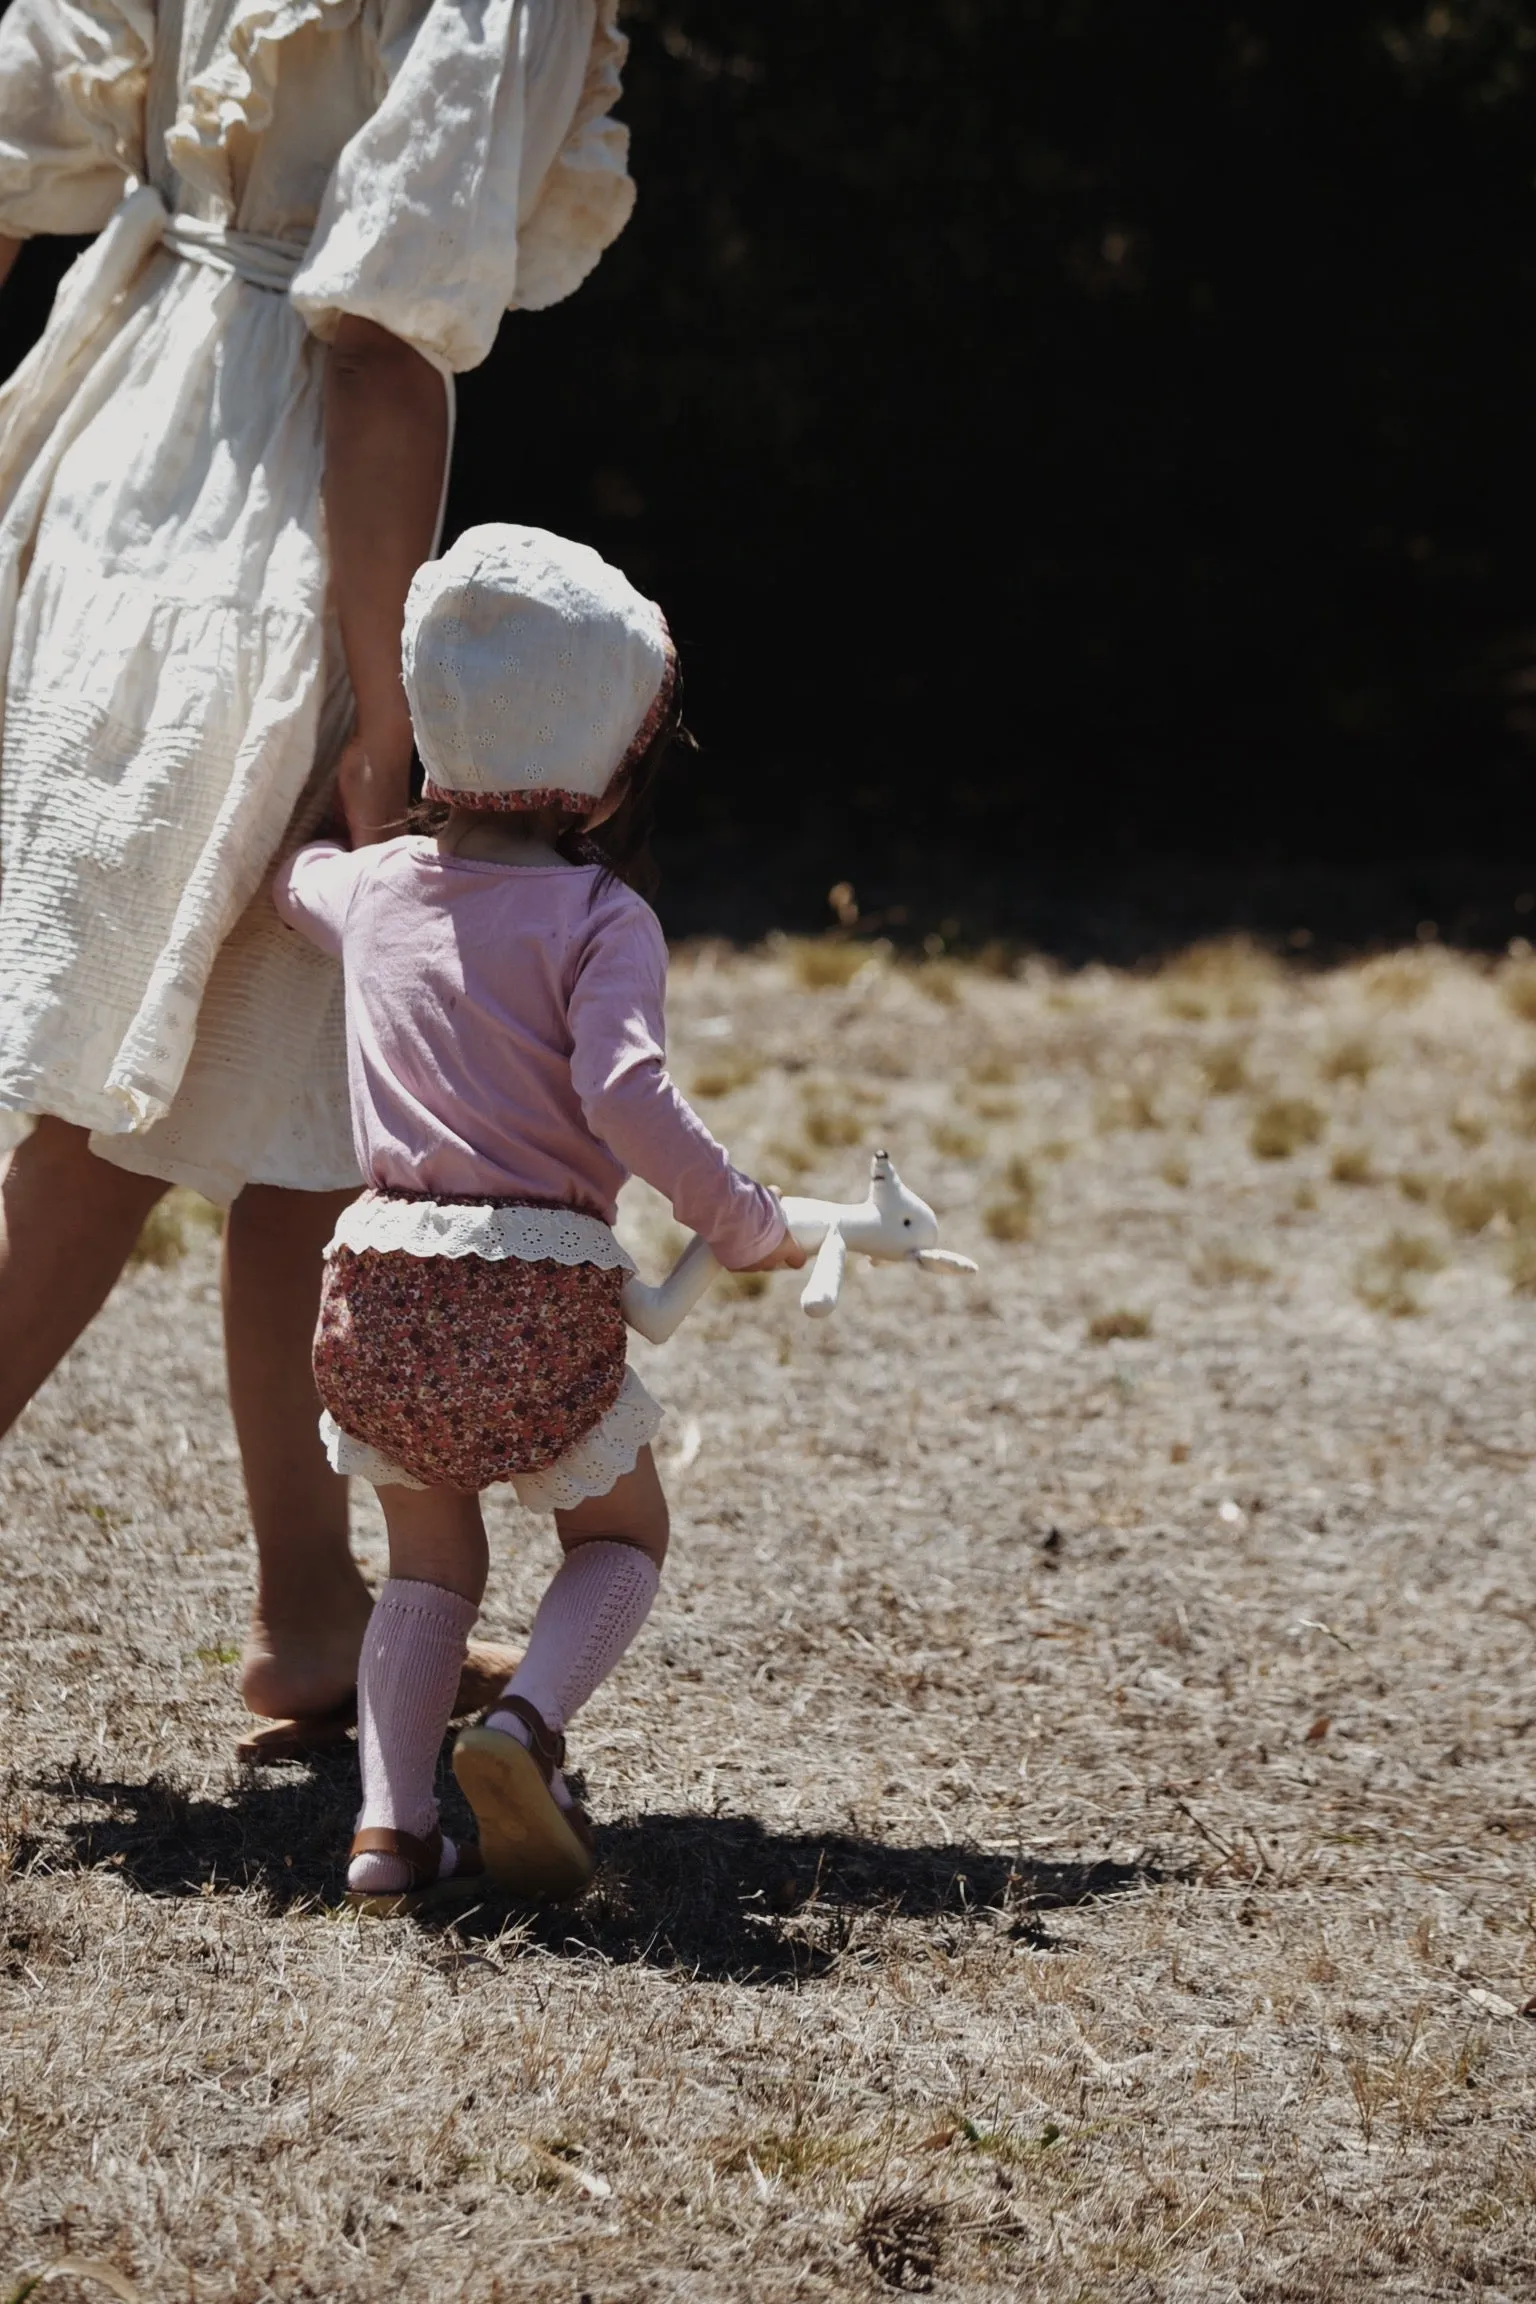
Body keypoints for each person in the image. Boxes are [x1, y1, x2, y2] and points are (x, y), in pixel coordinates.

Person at [0, 0, 635, 1755]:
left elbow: (22, 124)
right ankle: (308, 1606)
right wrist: (389, 711)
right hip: (280, 549)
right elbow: (374, 330)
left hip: (111, 462)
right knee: (114, 1113)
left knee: (303, 1096)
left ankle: (310, 1608)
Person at [272, 525, 806, 1910]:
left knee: (427, 1569)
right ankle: (524, 1729)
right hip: (533, 1291)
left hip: (377, 1287)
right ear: (611, 755)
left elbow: (296, 885)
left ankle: (389, 1833)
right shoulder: (600, 917)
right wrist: (741, 1219)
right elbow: (625, 1093)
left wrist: (343, 804)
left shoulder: (380, 887)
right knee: (620, 1537)